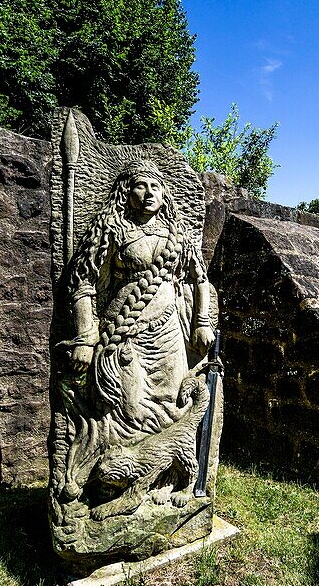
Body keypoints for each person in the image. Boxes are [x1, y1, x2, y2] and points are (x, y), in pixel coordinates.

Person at [58, 159, 215, 502]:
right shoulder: (111, 228)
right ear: (125, 192)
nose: (147, 194)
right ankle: (113, 484)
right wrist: (85, 337)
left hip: (169, 335)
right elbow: (82, 282)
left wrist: (202, 321)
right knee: (128, 410)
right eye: (139, 186)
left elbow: (199, 279)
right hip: (124, 335)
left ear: (164, 195)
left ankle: (164, 482)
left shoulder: (177, 235)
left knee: (175, 404)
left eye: (155, 187)